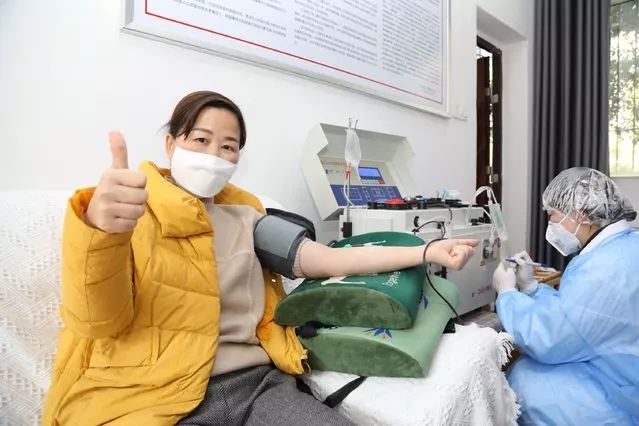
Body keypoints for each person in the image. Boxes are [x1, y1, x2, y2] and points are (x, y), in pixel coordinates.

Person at [43, 91, 478, 425]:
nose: (214, 156)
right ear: (171, 143)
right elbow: (99, 321)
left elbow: (327, 260)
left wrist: (424, 250)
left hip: (259, 387)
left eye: (228, 146)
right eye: (201, 140)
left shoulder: (247, 216)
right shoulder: (127, 214)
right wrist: (102, 234)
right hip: (158, 395)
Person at [492, 167, 639, 425]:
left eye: (552, 215)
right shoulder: (625, 245)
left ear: (578, 213)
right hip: (620, 369)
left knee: (523, 379)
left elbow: (548, 340)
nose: (550, 225)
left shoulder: (602, 268)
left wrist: (507, 294)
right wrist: (532, 288)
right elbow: (574, 315)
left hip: (620, 394)